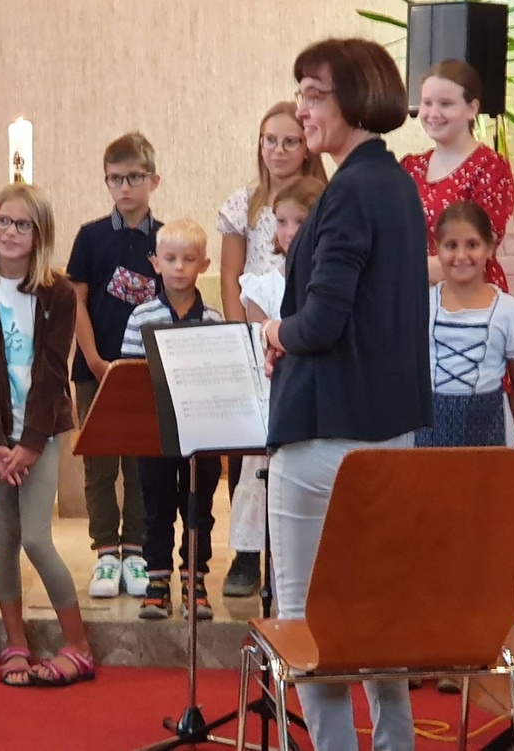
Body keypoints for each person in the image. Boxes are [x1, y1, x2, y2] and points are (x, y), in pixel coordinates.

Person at [259, 38, 432, 751]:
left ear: (356, 98)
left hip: (326, 433)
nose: (301, 109)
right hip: (390, 434)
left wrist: (275, 331)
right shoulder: (394, 184)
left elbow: (323, 322)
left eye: (313, 94)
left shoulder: (349, 192)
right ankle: (394, 742)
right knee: (376, 610)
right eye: (300, 93)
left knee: (308, 619)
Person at [0, 183, 94, 688]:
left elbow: (54, 370)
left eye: (22, 225)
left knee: (36, 537)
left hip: (41, 434)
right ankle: (15, 640)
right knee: (6, 538)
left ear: (39, 235)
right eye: (3, 221)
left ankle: (78, 644)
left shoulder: (58, 293)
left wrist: (31, 444)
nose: (10, 232)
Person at [417, 200, 514, 694]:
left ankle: (464, 649)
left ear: (491, 247)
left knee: (473, 545)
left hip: (485, 431)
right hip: (426, 434)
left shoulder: (511, 313)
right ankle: (419, 646)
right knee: (426, 541)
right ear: (437, 249)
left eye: (472, 244)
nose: (461, 254)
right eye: (450, 245)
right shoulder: (421, 304)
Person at [217, 102, 327, 597]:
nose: (279, 150)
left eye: (290, 141)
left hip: (306, 328)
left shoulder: (325, 199)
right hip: (258, 324)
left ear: (307, 147)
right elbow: (230, 276)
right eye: (270, 140)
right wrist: (244, 337)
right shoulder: (245, 204)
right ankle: (247, 552)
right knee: (251, 450)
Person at [67, 132, 162, 600]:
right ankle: (106, 551)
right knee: (100, 463)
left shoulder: (166, 238)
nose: (125, 187)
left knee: (142, 464)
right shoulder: (91, 237)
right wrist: (92, 358)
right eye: (115, 178)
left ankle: (137, 549)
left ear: (153, 180)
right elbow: (77, 302)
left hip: (147, 372)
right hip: (96, 368)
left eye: (134, 177)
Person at [120, 219, 223, 621]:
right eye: (170, 258)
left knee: (198, 509)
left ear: (204, 264)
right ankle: (157, 582)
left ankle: (195, 581)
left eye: (189, 259)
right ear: (156, 263)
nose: (179, 267)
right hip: (155, 433)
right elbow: (131, 377)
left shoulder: (213, 319)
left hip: (202, 435)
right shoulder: (140, 316)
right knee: (156, 508)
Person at [229, 177, 326, 556]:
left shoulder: (327, 286)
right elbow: (260, 347)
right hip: (274, 398)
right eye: (282, 222)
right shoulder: (262, 286)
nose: (289, 232)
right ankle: (251, 557)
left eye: (300, 221)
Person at [400, 59, 514, 291]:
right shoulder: (410, 167)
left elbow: (475, 254)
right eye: (427, 103)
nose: (433, 113)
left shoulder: (490, 167)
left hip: (470, 298)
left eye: (445, 104)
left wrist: (403, 266)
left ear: (472, 109)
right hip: (415, 295)